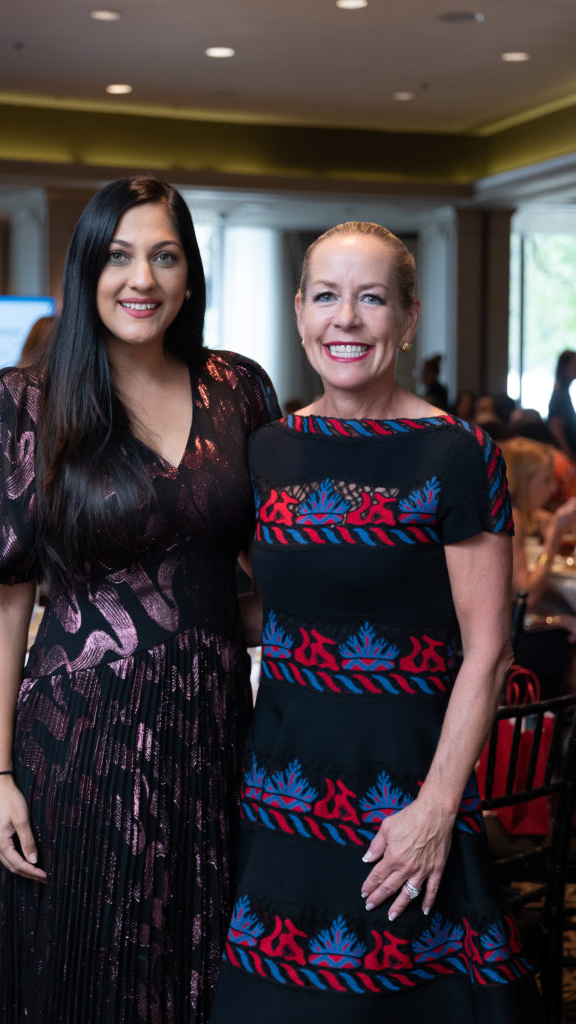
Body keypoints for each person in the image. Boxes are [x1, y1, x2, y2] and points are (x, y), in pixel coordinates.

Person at [0, 176, 279, 1024]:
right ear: (87, 268)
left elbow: (263, 565)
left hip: (211, 734)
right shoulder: (20, 404)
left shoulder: (238, 390)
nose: (143, 279)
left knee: (203, 964)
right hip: (79, 738)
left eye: (165, 256)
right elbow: (3, 602)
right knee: (88, 971)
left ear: (190, 275)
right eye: (120, 255)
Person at [211, 221, 545, 1022]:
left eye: (370, 299)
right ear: (298, 313)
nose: (346, 319)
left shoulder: (457, 454)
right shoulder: (266, 452)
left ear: (407, 316)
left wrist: (434, 808)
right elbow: (277, 612)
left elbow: (488, 649)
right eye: (326, 297)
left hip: (405, 788)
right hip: (282, 787)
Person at [502, 436, 576, 696]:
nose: (553, 486)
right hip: (513, 643)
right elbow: (527, 596)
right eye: (545, 480)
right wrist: (555, 536)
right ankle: (548, 728)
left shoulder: (515, 512)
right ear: (524, 480)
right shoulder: (513, 516)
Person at [547, 349, 576, 462]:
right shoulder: (559, 395)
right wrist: (570, 456)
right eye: (573, 365)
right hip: (566, 457)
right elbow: (556, 430)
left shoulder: (563, 393)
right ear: (564, 368)